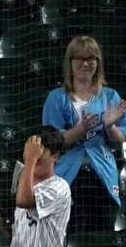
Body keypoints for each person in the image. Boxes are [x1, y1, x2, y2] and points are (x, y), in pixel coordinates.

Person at [42, 35, 125, 234]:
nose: (86, 63)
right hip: (68, 177)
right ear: (70, 62)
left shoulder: (110, 96)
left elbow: (121, 137)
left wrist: (110, 126)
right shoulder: (56, 98)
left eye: (91, 58)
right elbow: (50, 142)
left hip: (101, 176)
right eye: (80, 58)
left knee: (102, 235)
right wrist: (79, 131)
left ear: (98, 62)